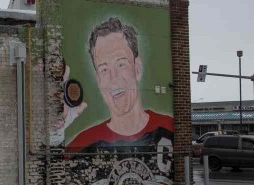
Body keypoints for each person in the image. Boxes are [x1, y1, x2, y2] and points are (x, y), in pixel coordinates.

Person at [64, 17, 174, 156]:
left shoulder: (170, 129)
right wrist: (55, 133)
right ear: (98, 79)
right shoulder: (82, 147)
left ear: (137, 68)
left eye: (121, 64)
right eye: (104, 69)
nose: (113, 79)